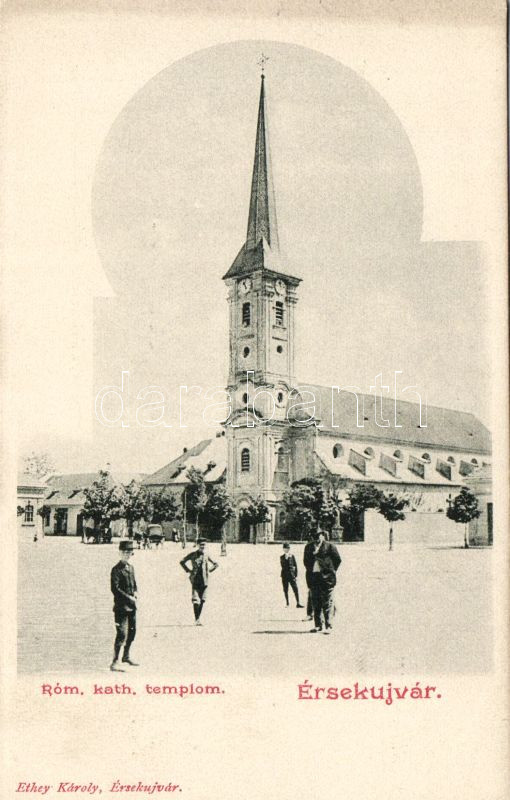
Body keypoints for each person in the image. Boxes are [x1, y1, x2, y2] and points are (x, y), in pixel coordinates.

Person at [303, 530, 341, 634]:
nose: (317, 539)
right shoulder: (308, 547)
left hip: (327, 578)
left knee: (327, 603)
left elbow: (337, 560)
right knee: (316, 602)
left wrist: (330, 570)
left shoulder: (330, 546)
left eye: (319, 536)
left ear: (322, 536)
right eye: (314, 537)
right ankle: (318, 625)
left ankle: (328, 626)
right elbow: (306, 562)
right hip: (313, 578)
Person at [110, 540, 139, 671]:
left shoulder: (131, 568)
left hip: (132, 607)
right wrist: (129, 598)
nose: (127, 555)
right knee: (121, 634)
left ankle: (126, 656)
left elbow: (134, 584)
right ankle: (114, 662)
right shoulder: (116, 570)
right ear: (120, 553)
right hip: (121, 607)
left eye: (129, 552)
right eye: (125, 552)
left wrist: (136, 592)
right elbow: (115, 589)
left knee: (132, 632)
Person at [180, 538, 218, 625]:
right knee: (195, 600)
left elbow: (216, 564)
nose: (202, 546)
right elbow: (182, 561)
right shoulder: (193, 555)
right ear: (197, 545)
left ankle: (198, 619)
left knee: (203, 600)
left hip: (204, 581)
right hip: (195, 580)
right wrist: (188, 570)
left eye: (204, 545)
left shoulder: (207, 555)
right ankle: (197, 619)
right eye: (201, 545)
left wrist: (209, 571)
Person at [280, 543, 304, 608]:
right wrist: (286, 559)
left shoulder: (292, 556)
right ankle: (287, 603)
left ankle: (298, 603)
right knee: (285, 589)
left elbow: (295, 566)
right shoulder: (282, 557)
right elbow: (283, 566)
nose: (287, 549)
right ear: (283, 549)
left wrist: (295, 575)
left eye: (288, 548)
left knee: (295, 589)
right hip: (284, 576)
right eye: (285, 548)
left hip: (291, 576)